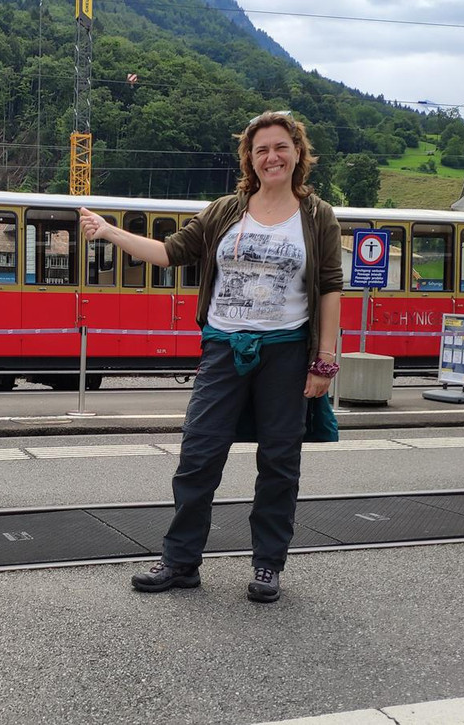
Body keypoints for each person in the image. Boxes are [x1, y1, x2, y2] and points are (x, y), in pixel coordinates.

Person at [77, 111, 341, 604]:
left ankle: (267, 565)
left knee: (279, 462)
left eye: (281, 147)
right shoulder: (225, 210)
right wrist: (110, 232)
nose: (272, 157)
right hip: (223, 348)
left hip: (285, 351)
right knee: (198, 456)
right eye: (261, 149)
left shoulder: (316, 215)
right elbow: (169, 252)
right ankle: (180, 562)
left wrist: (324, 362)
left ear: (298, 153)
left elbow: (329, 289)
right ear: (250, 158)